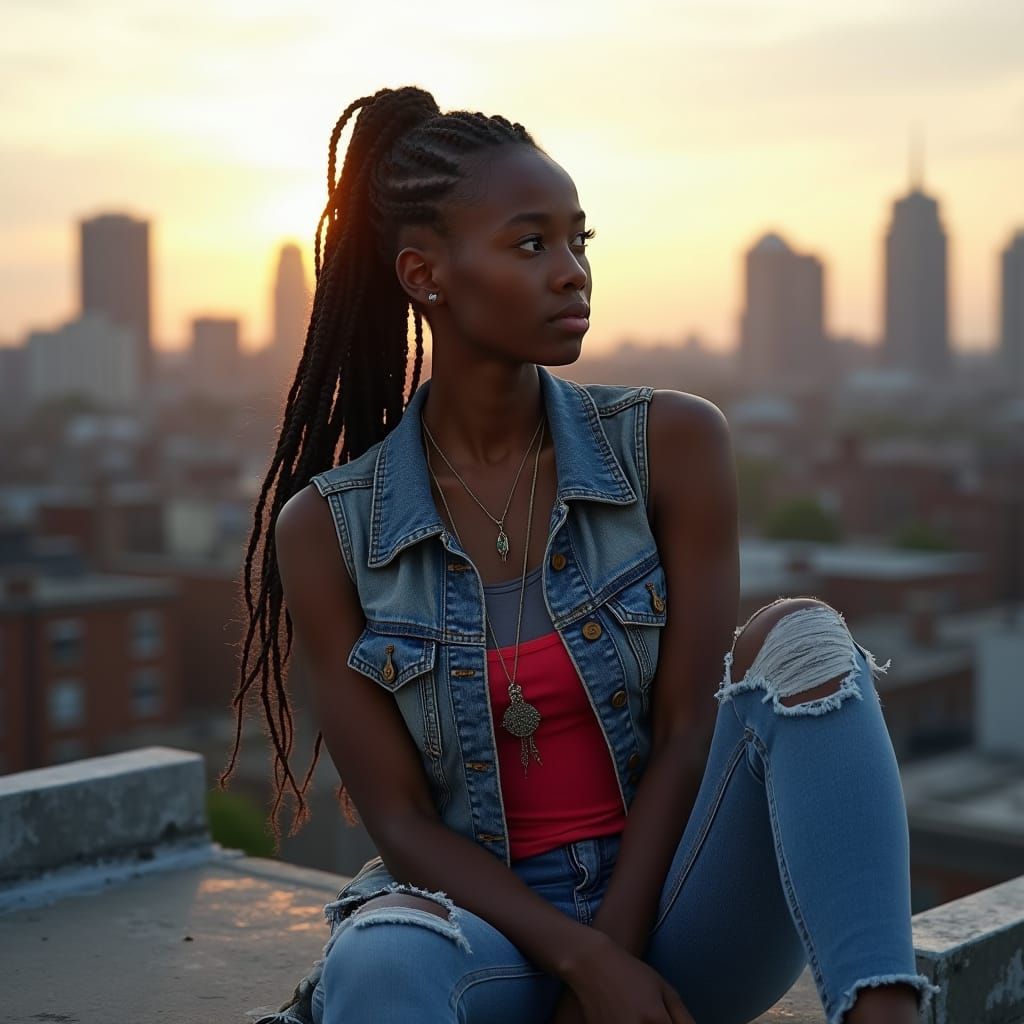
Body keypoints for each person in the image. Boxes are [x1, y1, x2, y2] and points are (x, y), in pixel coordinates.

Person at [221, 86, 939, 1024]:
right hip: (493, 935)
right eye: (532, 244)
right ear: (424, 274)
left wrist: (617, 957)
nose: (572, 272)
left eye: (578, 241)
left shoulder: (671, 444)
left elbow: (688, 730)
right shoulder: (327, 530)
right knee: (377, 963)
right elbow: (397, 821)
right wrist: (580, 966)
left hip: (684, 905)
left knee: (802, 639)